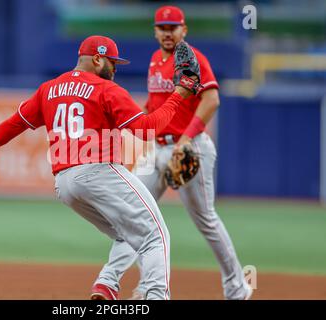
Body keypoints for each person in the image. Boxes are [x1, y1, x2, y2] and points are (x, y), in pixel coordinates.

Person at [0, 35, 202, 300]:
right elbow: (148, 130)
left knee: (129, 235)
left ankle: (106, 285)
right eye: (112, 63)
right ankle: (157, 297)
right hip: (98, 171)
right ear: (98, 58)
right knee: (156, 236)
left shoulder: (49, 89)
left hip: (65, 184)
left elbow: (14, 123)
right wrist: (180, 93)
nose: (115, 69)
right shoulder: (106, 89)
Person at [94, 6, 253, 300]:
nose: (168, 33)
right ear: (155, 31)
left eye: (173, 27)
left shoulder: (193, 59)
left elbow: (212, 99)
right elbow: (154, 107)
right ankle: (122, 283)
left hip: (190, 148)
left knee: (205, 219)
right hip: (157, 148)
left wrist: (186, 140)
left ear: (184, 30)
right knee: (135, 214)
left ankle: (237, 287)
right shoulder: (155, 60)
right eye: (162, 28)